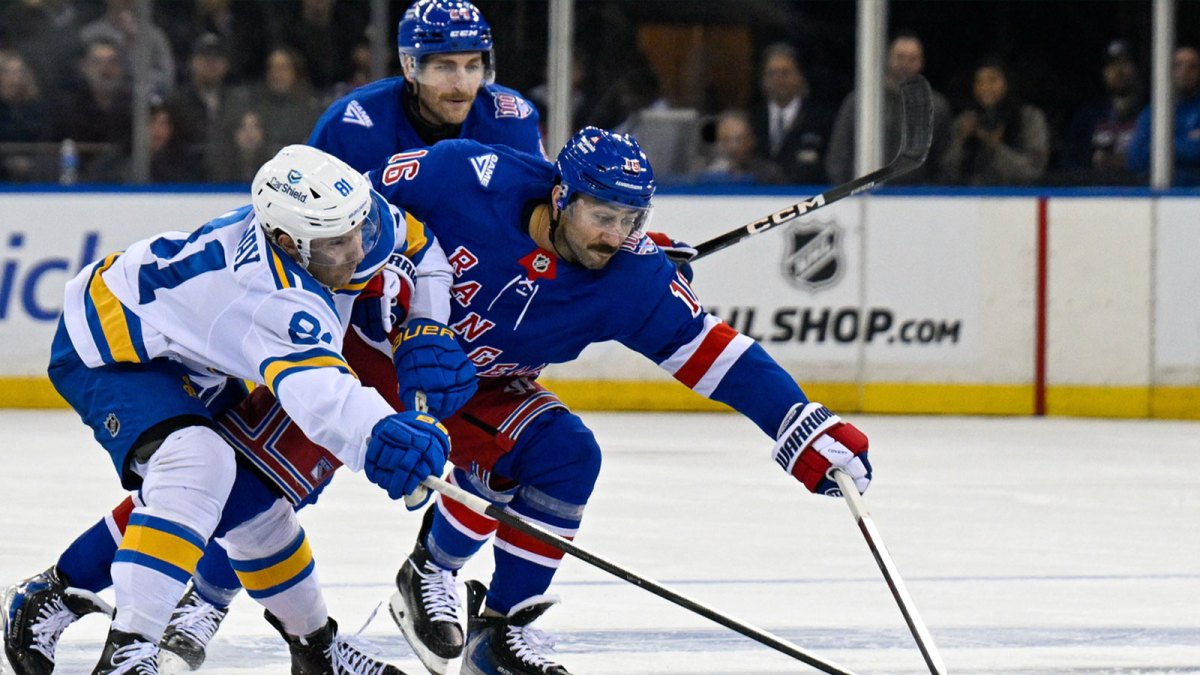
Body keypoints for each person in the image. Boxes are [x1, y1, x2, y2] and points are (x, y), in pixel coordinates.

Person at [1, 144, 451, 674]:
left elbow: (419, 244)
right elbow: (322, 397)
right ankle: (126, 648)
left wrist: (428, 322)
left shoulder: (344, 218)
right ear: (288, 242)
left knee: (257, 507)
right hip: (111, 346)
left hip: (189, 350)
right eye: (336, 244)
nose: (357, 252)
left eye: (360, 230)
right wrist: (382, 435)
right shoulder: (271, 299)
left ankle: (317, 651)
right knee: (199, 463)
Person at [306, 0, 545, 173]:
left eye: (472, 67)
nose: (461, 84)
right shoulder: (352, 124)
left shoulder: (510, 120)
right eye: (445, 68)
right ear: (410, 67)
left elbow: (548, 216)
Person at [825, 32, 953, 184]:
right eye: (900, 57)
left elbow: (944, 159)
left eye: (912, 59)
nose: (905, 64)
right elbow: (839, 153)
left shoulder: (936, 106)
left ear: (921, 62)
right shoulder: (861, 102)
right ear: (888, 59)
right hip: (864, 196)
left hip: (917, 199)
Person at [940, 58, 1049, 185]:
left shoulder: (1029, 118)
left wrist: (997, 148)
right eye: (979, 82)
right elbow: (944, 173)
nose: (985, 87)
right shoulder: (966, 121)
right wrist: (961, 141)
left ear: (1007, 82)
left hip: (1016, 199)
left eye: (992, 80)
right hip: (970, 198)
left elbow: (1033, 171)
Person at [1060, 39, 1145, 185]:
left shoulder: (1150, 114)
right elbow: (1072, 162)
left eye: (1124, 63)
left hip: (1137, 193)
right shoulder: (1089, 115)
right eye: (1112, 65)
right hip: (1096, 195)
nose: (1119, 71)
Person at [750, 42, 834, 184]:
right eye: (772, 73)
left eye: (785, 73)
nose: (778, 79)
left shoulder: (821, 121)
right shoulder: (752, 120)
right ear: (763, 80)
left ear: (800, 76)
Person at [1126, 45, 1200, 186]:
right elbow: (1134, 160)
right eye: (1178, 65)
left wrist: (1159, 146)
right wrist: (1185, 143)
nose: (1185, 72)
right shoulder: (1153, 112)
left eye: (1192, 66)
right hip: (1161, 193)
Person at [695, 109, 785, 185]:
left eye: (738, 140)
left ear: (750, 141)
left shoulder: (768, 174)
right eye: (726, 139)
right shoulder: (706, 174)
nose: (732, 146)